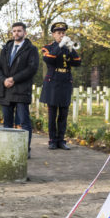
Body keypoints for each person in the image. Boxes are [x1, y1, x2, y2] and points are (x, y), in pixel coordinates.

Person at [0, 22, 40, 156]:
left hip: (21, 90)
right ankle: (9, 149)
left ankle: (25, 150)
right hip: (6, 91)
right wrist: (4, 79)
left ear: (25, 33)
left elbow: (32, 68)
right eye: (14, 31)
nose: (16, 33)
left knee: (24, 123)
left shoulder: (31, 49)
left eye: (19, 31)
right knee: (7, 124)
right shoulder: (6, 48)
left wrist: (13, 79)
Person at [40, 21, 81, 150]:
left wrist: (71, 49)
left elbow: (77, 62)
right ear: (53, 34)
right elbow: (49, 59)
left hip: (65, 82)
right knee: (52, 114)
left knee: (63, 113)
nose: (61, 35)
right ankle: (52, 140)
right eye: (58, 33)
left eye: (63, 33)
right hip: (53, 82)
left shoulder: (68, 47)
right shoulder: (47, 47)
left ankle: (61, 140)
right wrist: (60, 45)